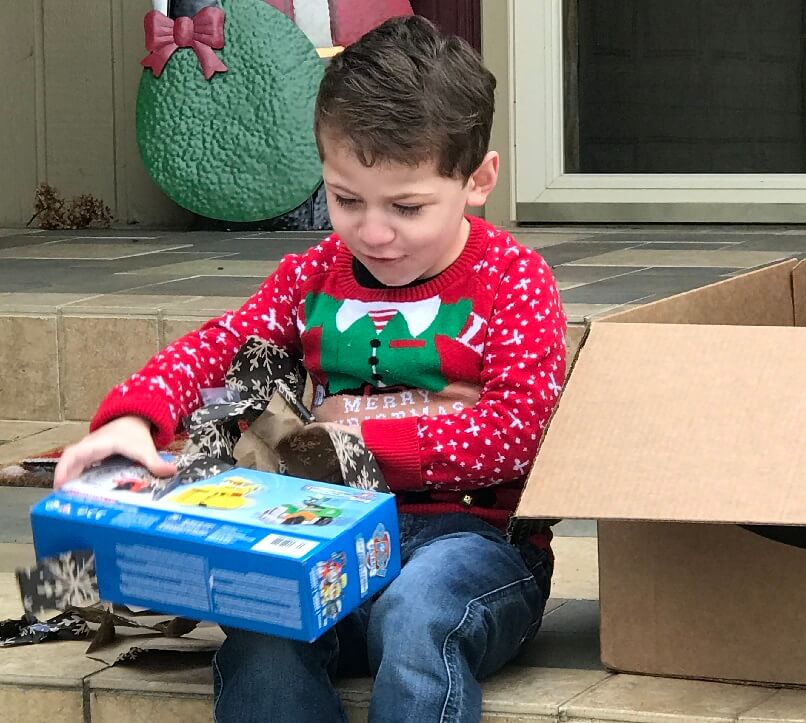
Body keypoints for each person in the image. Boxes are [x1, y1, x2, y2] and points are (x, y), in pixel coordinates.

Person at [54, 16, 567, 723]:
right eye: (346, 199)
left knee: (416, 615)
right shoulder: (314, 275)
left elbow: (515, 435)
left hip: (473, 544)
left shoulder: (514, 280)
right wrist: (136, 416)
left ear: (478, 180)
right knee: (261, 627)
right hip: (324, 530)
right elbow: (222, 347)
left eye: (407, 206)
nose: (374, 231)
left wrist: (339, 439)